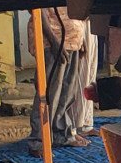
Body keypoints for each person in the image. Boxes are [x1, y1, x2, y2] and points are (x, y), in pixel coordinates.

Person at [27, 8, 90, 151]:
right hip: (53, 40)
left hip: (72, 40)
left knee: (67, 93)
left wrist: (81, 38)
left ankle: (60, 134)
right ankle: (38, 141)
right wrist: (53, 40)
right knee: (49, 94)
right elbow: (36, 8)